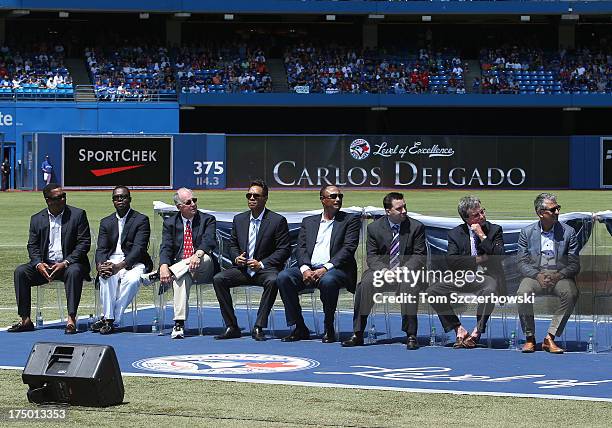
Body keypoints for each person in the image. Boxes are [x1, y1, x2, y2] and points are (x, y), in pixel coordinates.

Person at [342, 192, 426, 350]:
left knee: (409, 283)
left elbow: (419, 257)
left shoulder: (416, 227)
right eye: (399, 208)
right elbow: (372, 258)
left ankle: (411, 335)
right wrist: (385, 271)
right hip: (381, 271)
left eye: (404, 207)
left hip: (407, 272)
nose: (404, 211)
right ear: (388, 211)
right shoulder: (374, 228)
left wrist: (402, 270)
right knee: (365, 284)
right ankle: (358, 333)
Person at [277, 185, 360, 343]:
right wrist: (305, 269)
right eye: (333, 196)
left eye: (340, 196)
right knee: (283, 277)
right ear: (323, 200)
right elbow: (300, 249)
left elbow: (348, 249)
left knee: (328, 280)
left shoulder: (350, 220)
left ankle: (328, 326)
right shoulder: (308, 222)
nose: (338, 199)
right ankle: (299, 327)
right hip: (310, 268)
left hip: (337, 270)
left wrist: (325, 268)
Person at [212, 179, 291, 341]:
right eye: (249, 195)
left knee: (273, 280)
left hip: (265, 269)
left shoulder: (277, 221)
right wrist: (236, 257)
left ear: (265, 198)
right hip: (243, 269)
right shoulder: (239, 219)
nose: (252, 198)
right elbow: (232, 244)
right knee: (219, 279)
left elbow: (284, 250)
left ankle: (259, 326)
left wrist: (261, 263)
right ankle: (232, 326)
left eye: (256, 195)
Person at [9, 183, 91, 334]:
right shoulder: (36, 219)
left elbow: (84, 244)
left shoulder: (78, 215)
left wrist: (65, 262)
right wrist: (38, 264)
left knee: (74, 271)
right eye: (58, 197)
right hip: (46, 267)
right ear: (48, 200)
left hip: (69, 265)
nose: (62, 199)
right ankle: (25, 319)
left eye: (63, 196)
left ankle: (71, 319)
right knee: (20, 272)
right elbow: (32, 246)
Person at [427, 195, 505, 349]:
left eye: (482, 211)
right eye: (476, 215)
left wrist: (482, 236)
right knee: (432, 291)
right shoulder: (455, 234)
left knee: (489, 290)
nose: (482, 216)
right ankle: (459, 329)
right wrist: (480, 259)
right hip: (461, 277)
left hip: (487, 276)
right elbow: (452, 261)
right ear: (466, 218)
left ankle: (477, 332)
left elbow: (499, 255)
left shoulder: (494, 230)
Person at [517, 193, 580, 354]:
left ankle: (549, 338)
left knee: (571, 293)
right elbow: (521, 263)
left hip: (560, 276)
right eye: (553, 210)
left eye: (558, 208)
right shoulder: (527, 232)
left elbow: (574, 264)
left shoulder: (569, 232)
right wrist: (537, 275)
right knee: (522, 292)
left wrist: (558, 275)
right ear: (540, 213)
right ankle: (529, 337)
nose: (557, 212)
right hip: (535, 276)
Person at [158, 188, 217, 339]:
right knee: (180, 278)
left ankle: (168, 272)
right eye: (188, 202)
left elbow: (209, 241)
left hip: (204, 266)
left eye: (194, 200)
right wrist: (163, 265)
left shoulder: (207, 219)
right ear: (179, 207)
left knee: (205, 258)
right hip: (184, 270)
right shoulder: (170, 223)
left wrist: (197, 255)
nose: (193, 204)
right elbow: (166, 247)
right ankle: (179, 324)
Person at [93, 186, 153, 334]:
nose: (120, 200)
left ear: (130, 199)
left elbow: (139, 249)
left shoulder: (141, 220)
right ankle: (109, 319)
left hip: (135, 261)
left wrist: (119, 266)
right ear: (113, 201)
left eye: (123, 197)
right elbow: (101, 249)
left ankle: (111, 319)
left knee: (133, 280)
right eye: (116, 198)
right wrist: (101, 266)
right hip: (112, 260)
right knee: (106, 277)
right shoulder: (106, 222)